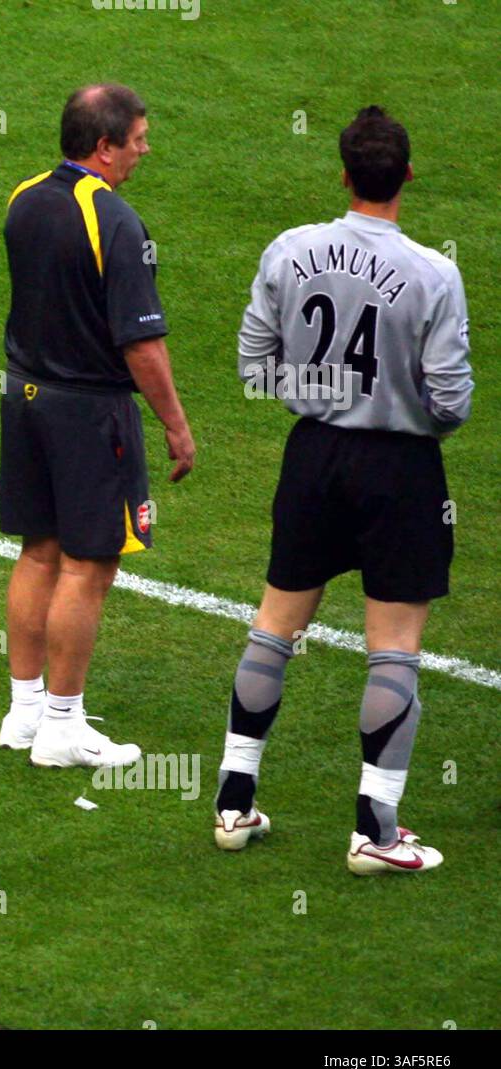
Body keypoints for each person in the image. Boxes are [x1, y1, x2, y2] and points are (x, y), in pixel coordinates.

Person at [221, 106, 472, 873]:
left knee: (275, 626)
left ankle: (233, 805)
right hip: (399, 467)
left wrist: (324, 389)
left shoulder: (290, 250)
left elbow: (255, 366)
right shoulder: (434, 272)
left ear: (342, 173)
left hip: (314, 459)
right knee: (392, 646)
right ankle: (376, 831)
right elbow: (451, 402)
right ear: (407, 176)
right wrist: (394, 405)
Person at [0, 83, 195, 768]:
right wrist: (175, 423)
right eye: (137, 138)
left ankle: (23, 713)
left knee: (38, 550)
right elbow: (141, 345)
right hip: (87, 411)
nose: (144, 149)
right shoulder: (116, 222)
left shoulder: (24, 197)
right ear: (104, 146)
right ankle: (61, 726)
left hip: (23, 394)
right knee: (88, 563)